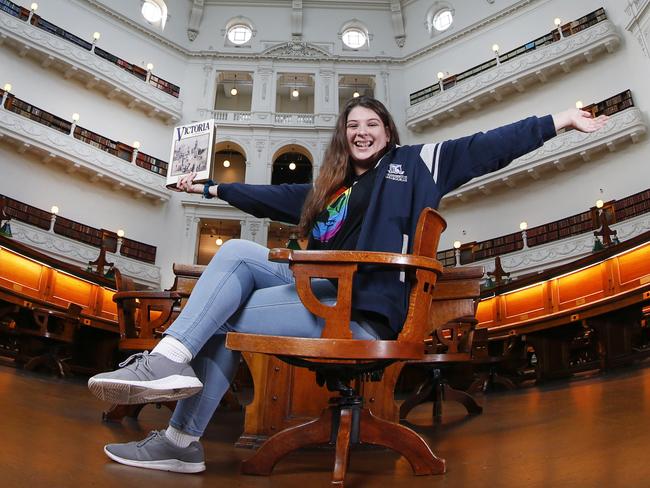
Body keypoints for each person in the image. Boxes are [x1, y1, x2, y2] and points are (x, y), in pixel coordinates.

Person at [88, 96, 608, 473]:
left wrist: (559, 121)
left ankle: (179, 433)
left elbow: (489, 146)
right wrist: (208, 186)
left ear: (387, 130)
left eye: (372, 122)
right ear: (343, 134)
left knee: (221, 313)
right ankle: (172, 378)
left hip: (361, 312)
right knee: (240, 253)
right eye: (353, 124)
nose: (362, 130)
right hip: (320, 292)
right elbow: (271, 196)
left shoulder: (419, 164)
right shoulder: (332, 188)